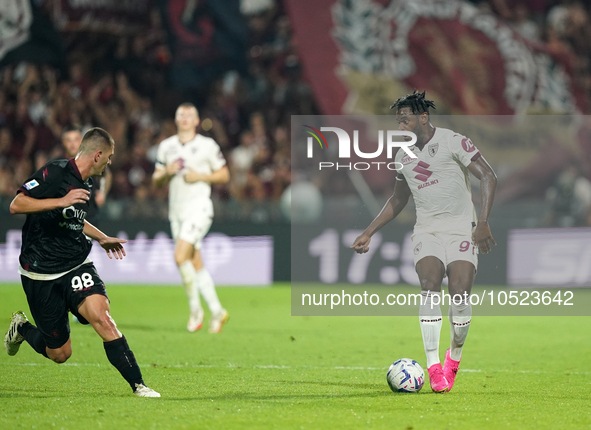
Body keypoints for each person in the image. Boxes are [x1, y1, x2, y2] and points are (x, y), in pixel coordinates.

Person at [350, 91, 497, 393]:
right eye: (398, 119)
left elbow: (488, 176)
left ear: (423, 117)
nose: (400, 124)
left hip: (460, 228)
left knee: (459, 295)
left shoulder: (453, 141)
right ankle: (433, 368)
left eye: (405, 118)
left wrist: (482, 222)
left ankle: (453, 358)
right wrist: (369, 231)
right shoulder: (402, 155)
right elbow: (398, 199)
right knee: (429, 286)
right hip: (427, 230)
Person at [4, 127, 160, 398]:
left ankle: (139, 385)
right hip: (40, 271)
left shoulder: (87, 182)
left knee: (103, 318)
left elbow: (74, 217)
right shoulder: (56, 172)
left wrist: (101, 237)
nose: (110, 163)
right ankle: (22, 328)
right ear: (98, 155)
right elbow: (17, 204)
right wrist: (60, 200)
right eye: (109, 158)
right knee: (60, 353)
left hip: (76, 263)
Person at [152, 103, 230, 333]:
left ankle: (196, 309)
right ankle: (218, 311)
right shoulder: (166, 147)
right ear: (175, 119)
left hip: (199, 208)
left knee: (179, 256)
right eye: (180, 114)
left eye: (189, 115)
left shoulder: (207, 146)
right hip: (176, 211)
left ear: (197, 121)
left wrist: (201, 176)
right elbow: (156, 179)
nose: (184, 118)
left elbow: (224, 174)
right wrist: (166, 172)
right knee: (195, 261)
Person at [61, 125, 112, 227]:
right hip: (65, 218)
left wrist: (102, 193)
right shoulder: (57, 164)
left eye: (76, 140)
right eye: (69, 140)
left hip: (90, 216)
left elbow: (107, 175)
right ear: (63, 143)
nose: (72, 144)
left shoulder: (92, 160)